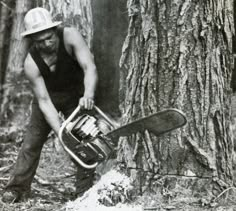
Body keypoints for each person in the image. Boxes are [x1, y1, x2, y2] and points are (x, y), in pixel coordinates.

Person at [2, 7, 98, 203]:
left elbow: (90, 66)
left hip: (75, 96)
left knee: (84, 140)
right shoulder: (31, 63)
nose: (47, 43)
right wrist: (61, 131)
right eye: (40, 41)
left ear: (54, 31)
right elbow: (44, 101)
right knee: (31, 143)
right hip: (47, 99)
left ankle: (84, 191)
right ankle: (16, 189)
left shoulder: (70, 36)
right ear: (32, 41)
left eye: (49, 37)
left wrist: (88, 94)